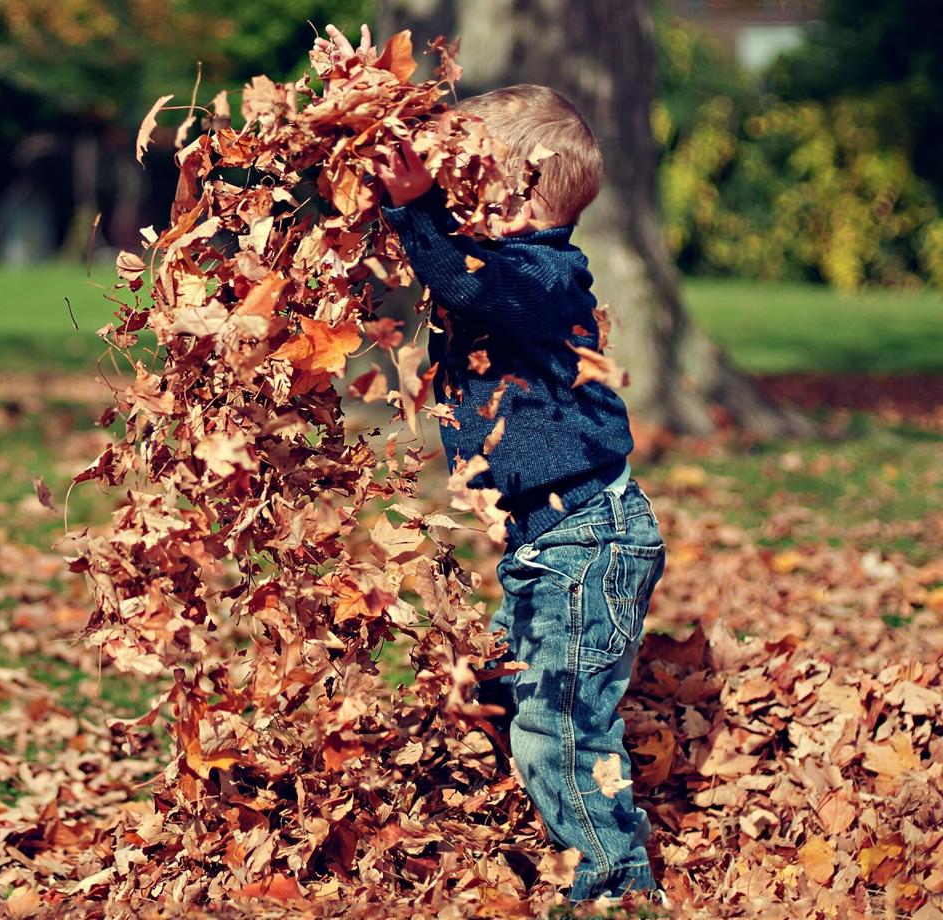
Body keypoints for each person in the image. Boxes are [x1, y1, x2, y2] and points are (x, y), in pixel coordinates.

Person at [335, 25, 668, 902]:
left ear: (516, 194)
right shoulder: (504, 267)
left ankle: (616, 885)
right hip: (547, 542)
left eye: (463, 177)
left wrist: (414, 212)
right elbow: (459, 277)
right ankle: (520, 827)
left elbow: (470, 282)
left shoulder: (543, 275)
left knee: (561, 727)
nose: (447, 192)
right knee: (503, 687)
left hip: (588, 540)